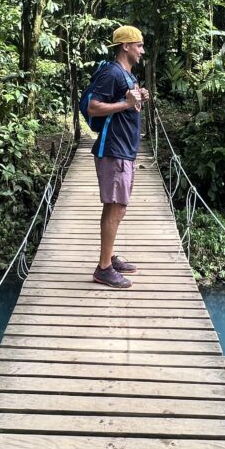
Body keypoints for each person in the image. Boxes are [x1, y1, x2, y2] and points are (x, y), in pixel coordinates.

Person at [86, 26, 151, 289]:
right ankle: (103, 269)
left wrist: (138, 98)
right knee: (116, 206)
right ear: (125, 46)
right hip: (113, 149)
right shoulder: (112, 72)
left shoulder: (126, 75)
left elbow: (126, 104)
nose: (142, 50)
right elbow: (94, 106)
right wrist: (126, 104)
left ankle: (108, 258)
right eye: (139, 45)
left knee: (117, 206)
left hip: (124, 149)